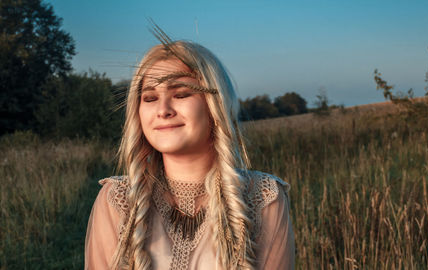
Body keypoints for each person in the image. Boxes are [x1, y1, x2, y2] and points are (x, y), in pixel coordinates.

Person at [85, 33, 295, 270]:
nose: (163, 110)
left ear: (216, 105)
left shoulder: (262, 196)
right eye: (150, 97)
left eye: (181, 94)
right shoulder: (118, 199)